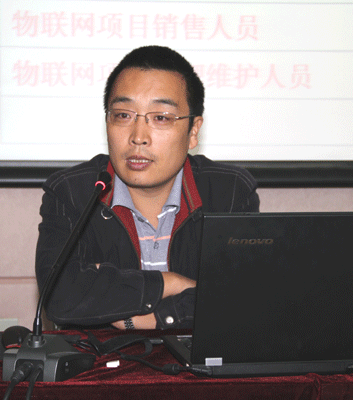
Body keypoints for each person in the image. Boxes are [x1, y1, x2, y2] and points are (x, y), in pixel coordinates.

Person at [35, 46, 260, 330]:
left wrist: (152, 317)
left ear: (193, 131)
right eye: (123, 115)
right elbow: (59, 297)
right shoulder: (72, 193)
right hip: (102, 358)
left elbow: (241, 299)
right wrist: (172, 283)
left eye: (161, 118)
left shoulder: (229, 193)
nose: (138, 137)